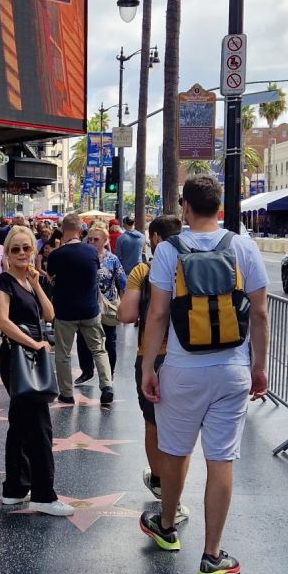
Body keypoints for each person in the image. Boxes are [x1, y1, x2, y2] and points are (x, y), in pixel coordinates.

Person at [139, 175, 269, 574]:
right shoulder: (243, 246)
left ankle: (166, 527)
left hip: (182, 369)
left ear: (185, 208)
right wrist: (258, 366)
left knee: (176, 451)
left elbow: (158, 314)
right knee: (221, 458)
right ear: (221, 209)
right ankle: (213, 557)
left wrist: (148, 365)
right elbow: (261, 313)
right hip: (231, 370)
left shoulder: (169, 251)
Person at [0, 224, 73, 517]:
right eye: (16, 249)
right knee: (39, 427)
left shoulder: (28, 282)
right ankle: (43, 495)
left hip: (30, 355)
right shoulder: (2, 283)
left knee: (20, 423)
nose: (22, 253)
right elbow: (1, 320)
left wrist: (37, 284)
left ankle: (14, 488)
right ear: (7, 253)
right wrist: (35, 344)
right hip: (17, 357)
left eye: (27, 248)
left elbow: (50, 314)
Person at [118, 214, 182, 510]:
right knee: (181, 430)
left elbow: (127, 315)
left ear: (156, 238)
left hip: (152, 355)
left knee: (152, 423)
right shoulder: (189, 267)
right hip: (188, 357)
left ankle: (158, 480)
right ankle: (176, 497)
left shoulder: (143, 270)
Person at [48, 212, 113, 407]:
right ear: (80, 230)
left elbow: (51, 279)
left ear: (62, 230)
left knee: (63, 354)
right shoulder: (91, 251)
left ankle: (66, 393)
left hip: (65, 311)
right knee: (99, 350)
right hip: (89, 309)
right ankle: (107, 386)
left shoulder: (56, 255)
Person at [85, 223, 127, 377]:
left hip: (107, 307)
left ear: (105, 240)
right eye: (89, 239)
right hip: (88, 306)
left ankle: (110, 372)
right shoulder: (85, 257)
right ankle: (87, 371)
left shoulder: (112, 259)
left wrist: (123, 307)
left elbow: (122, 283)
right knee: (86, 341)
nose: (92, 242)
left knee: (110, 341)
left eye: (96, 239)